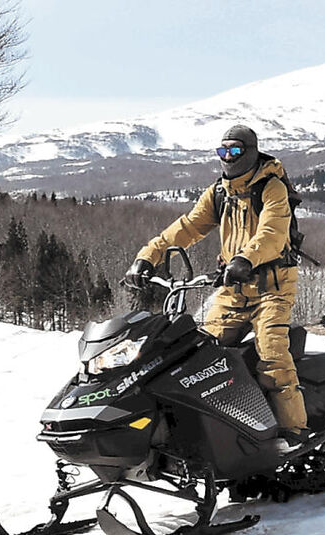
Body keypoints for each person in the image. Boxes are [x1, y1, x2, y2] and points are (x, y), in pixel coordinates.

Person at [124, 125, 309, 445]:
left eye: (234, 151)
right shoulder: (220, 192)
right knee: (201, 352)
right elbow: (188, 227)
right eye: (222, 151)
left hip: (272, 288)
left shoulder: (271, 187)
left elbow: (272, 232)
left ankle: (292, 432)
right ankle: (223, 427)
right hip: (234, 288)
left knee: (272, 354)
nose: (228, 157)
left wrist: (245, 260)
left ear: (250, 152)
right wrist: (148, 256)